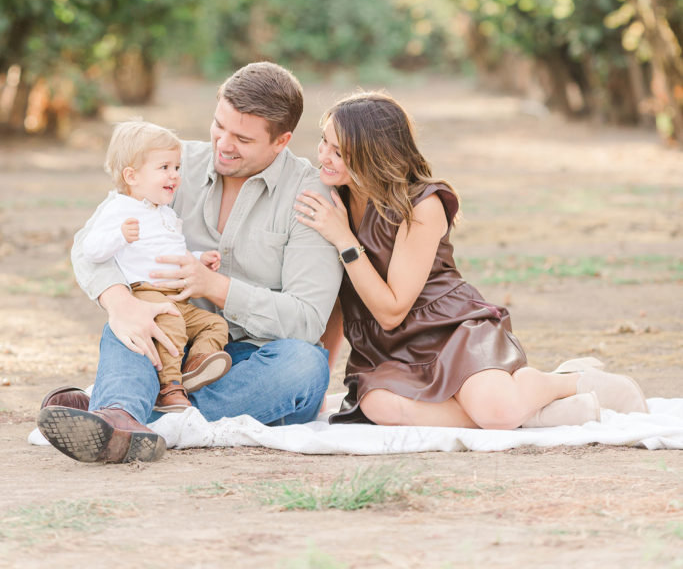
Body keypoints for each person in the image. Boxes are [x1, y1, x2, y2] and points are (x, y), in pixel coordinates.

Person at [37, 62, 342, 463]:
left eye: (242, 139)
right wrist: (120, 302)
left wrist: (214, 286)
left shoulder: (309, 196)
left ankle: (124, 409)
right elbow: (88, 243)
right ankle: (124, 414)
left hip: (254, 361)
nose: (223, 144)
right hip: (169, 338)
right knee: (133, 318)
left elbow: (306, 320)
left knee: (305, 366)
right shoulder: (174, 166)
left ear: (281, 141)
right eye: (220, 126)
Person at [294, 91, 649, 429]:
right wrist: (321, 380)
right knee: (375, 405)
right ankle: (533, 414)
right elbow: (338, 298)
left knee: (497, 410)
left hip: (447, 331)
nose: (323, 155)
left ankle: (566, 381)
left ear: (374, 153)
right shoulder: (332, 201)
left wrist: (344, 239)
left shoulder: (421, 205)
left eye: (339, 151)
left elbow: (392, 311)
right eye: (324, 141)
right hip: (385, 350)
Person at [82, 120, 231, 413]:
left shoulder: (161, 211)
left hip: (179, 296)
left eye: (177, 168)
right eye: (164, 168)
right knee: (172, 323)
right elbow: (90, 249)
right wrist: (118, 236)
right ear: (132, 176)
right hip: (147, 292)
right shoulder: (119, 208)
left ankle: (195, 366)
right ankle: (169, 387)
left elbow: (172, 251)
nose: (174, 176)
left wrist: (199, 258)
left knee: (215, 324)